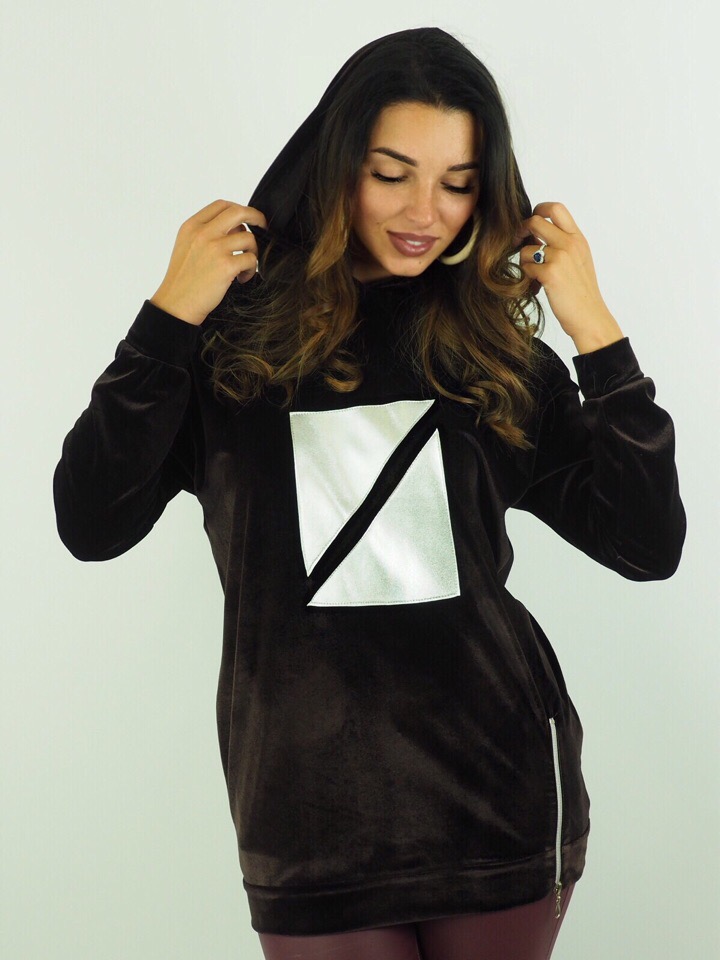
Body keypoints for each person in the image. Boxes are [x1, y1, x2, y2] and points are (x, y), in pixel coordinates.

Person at [53, 26, 686, 960]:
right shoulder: (230, 343)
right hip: (308, 822)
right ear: (337, 162)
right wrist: (165, 321)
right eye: (392, 173)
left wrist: (597, 333)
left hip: (499, 805)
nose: (425, 211)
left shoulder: (491, 350)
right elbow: (91, 521)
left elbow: (647, 544)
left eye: (457, 183)